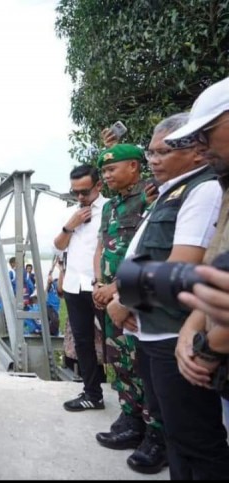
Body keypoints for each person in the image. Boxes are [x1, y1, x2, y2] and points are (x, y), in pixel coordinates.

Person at [106, 110, 226, 478]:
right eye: (150, 153)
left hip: (176, 333)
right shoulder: (173, 190)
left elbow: (182, 266)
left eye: (163, 152)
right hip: (155, 330)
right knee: (176, 435)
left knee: (196, 441)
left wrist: (121, 299)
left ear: (196, 150)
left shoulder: (202, 190)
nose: (153, 160)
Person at [161, 77, 229, 478]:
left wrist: (206, 346)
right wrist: (193, 329)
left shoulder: (200, 191)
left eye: (208, 131)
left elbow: (180, 266)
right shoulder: (223, 186)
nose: (201, 145)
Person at [91, 143, 156, 462]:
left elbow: (155, 250)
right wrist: (99, 284)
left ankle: (154, 430)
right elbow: (102, 247)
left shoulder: (151, 196)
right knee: (120, 361)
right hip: (109, 296)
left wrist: (118, 289)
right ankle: (131, 418)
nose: (106, 175)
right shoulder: (109, 207)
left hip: (138, 297)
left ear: (134, 166)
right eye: (103, 170)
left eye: (111, 169)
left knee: (146, 365)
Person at [53, 164, 108, 412]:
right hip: (75, 287)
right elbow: (58, 247)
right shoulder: (73, 214)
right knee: (83, 343)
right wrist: (69, 225)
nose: (80, 197)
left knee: (117, 346)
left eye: (84, 191)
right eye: (75, 191)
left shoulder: (109, 209)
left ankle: (136, 405)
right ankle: (92, 393)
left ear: (98, 185)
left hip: (101, 287)